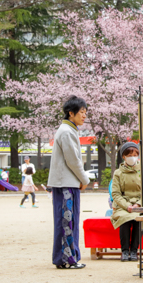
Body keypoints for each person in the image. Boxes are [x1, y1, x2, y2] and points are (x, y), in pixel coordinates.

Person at [47, 96, 90, 270]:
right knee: (67, 222)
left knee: (67, 221)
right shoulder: (66, 131)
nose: (84, 116)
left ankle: (66, 257)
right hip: (66, 184)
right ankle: (67, 259)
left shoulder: (69, 130)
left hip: (67, 183)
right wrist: (85, 179)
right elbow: (73, 160)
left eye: (85, 113)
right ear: (70, 113)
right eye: (81, 112)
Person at [111, 142, 143, 262]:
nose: (132, 157)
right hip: (122, 205)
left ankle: (134, 250)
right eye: (129, 154)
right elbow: (115, 193)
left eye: (135, 154)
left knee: (138, 219)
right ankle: (125, 250)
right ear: (123, 156)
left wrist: (138, 204)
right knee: (125, 219)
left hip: (139, 205)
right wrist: (127, 205)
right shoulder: (118, 173)